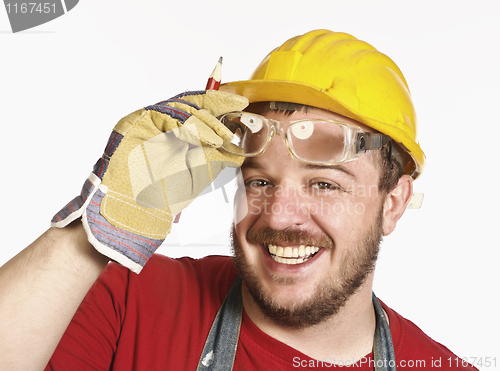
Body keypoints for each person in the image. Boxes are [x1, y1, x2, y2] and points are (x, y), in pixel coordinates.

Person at [0, 29, 477, 370]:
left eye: (324, 184)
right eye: (260, 182)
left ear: (393, 202)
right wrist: (96, 231)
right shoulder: (129, 301)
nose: (280, 216)